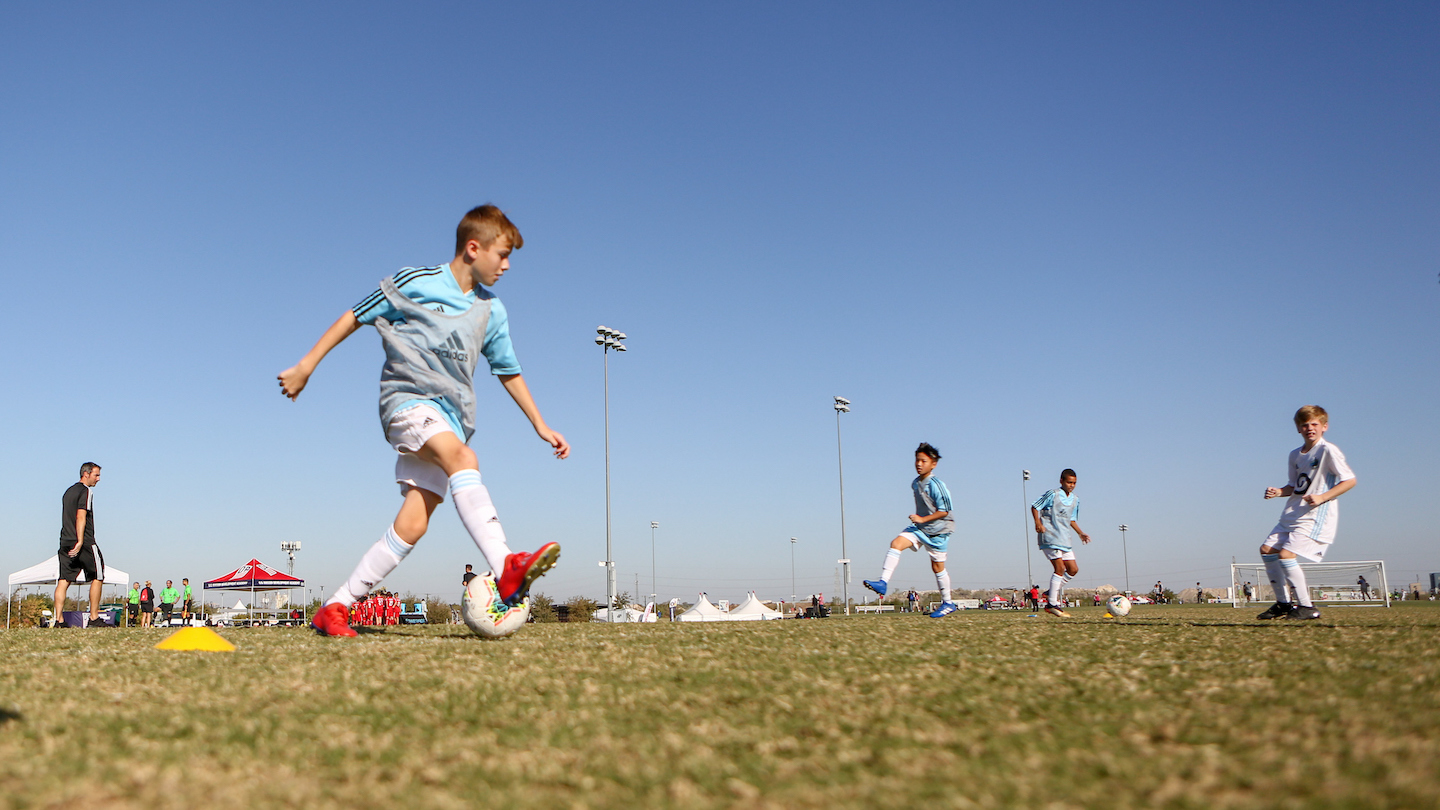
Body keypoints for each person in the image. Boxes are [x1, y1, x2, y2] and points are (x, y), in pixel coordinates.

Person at [279, 205, 568, 638]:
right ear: (474, 248)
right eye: (502, 254)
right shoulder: (417, 283)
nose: (507, 266)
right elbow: (355, 315)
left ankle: (335, 606)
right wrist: (306, 365)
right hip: (406, 402)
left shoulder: (492, 311)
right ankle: (506, 564)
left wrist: (539, 424)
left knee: (414, 523)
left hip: (450, 418)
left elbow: (507, 370)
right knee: (462, 457)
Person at [1258, 405, 1357, 621]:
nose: (1309, 428)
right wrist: (1278, 492)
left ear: (1324, 427)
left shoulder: (1327, 450)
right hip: (1292, 513)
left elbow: (1349, 480)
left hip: (1315, 514)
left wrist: (1322, 496)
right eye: (1305, 425)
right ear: (1298, 429)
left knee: (1286, 555)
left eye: (1314, 424)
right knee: (1267, 550)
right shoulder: (1295, 454)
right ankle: (1284, 604)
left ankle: (1307, 607)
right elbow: (1295, 486)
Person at [862, 443, 959, 618]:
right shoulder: (915, 483)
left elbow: (945, 511)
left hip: (939, 531)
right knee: (896, 543)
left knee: (937, 567)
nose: (919, 464)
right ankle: (883, 583)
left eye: (923, 460)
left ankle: (948, 603)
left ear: (933, 464)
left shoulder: (937, 485)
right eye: (917, 460)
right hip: (920, 528)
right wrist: (920, 521)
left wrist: (922, 518)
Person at [1031, 469, 1091, 617]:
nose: (1071, 485)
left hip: (1064, 539)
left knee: (1073, 570)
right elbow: (1035, 506)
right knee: (1060, 568)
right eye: (1069, 482)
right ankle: (1052, 604)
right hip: (1050, 536)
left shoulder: (1075, 499)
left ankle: (1051, 592)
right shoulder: (1053, 494)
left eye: (1074, 483)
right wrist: (1037, 523)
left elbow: (1071, 519)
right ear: (1061, 481)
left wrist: (1080, 533)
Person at [55, 463, 106, 627]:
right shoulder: (86, 491)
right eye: (96, 475)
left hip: (65, 540)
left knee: (64, 579)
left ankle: (58, 621)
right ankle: (94, 618)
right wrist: (81, 541)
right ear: (86, 474)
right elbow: (80, 516)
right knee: (97, 576)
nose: (98, 479)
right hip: (83, 541)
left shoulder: (68, 491)